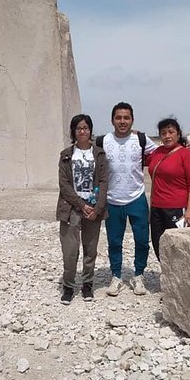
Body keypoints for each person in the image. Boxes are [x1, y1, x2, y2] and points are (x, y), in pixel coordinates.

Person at [101, 102, 159, 296]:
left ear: (132, 120)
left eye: (126, 118)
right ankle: (116, 276)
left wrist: (183, 145)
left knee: (142, 240)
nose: (122, 121)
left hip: (136, 198)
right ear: (112, 120)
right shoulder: (103, 141)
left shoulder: (141, 139)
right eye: (118, 117)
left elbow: (163, 153)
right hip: (112, 200)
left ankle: (139, 275)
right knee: (114, 242)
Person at [56, 114, 108, 305]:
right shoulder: (66, 155)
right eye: (78, 128)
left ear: (90, 130)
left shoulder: (99, 154)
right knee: (70, 250)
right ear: (73, 131)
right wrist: (81, 204)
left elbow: (103, 182)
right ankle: (68, 286)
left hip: (94, 209)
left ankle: (87, 284)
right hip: (71, 209)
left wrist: (97, 207)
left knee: (90, 249)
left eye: (86, 128)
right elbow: (64, 184)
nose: (82, 131)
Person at [147, 118, 190, 260]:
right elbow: (140, 159)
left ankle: (179, 280)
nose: (167, 136)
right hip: (156, 208)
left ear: (178, 134)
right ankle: (167, 277)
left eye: (171, 132)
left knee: (177, 248)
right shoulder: (157, 152)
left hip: (176, 209)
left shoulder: (186, 154)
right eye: (163, 133)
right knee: (159, 246)